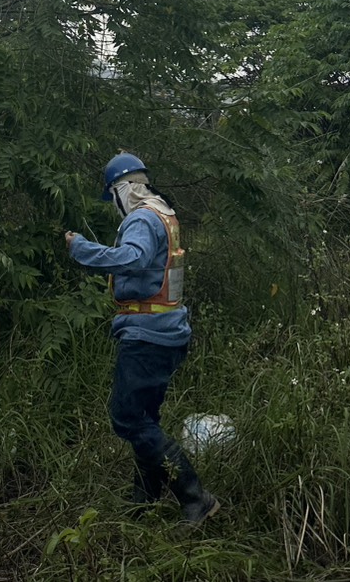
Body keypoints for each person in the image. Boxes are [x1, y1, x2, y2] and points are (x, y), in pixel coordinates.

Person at [65, 151, 219, 526]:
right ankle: (144, 499)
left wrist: (80, 248)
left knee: (128, 418)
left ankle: (196, 498)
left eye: (113, 196)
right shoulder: (164, 213)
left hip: (147, 335)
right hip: (168, 331)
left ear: (122, 189)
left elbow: (133, 259)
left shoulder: (141, 218)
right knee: (145, 418)